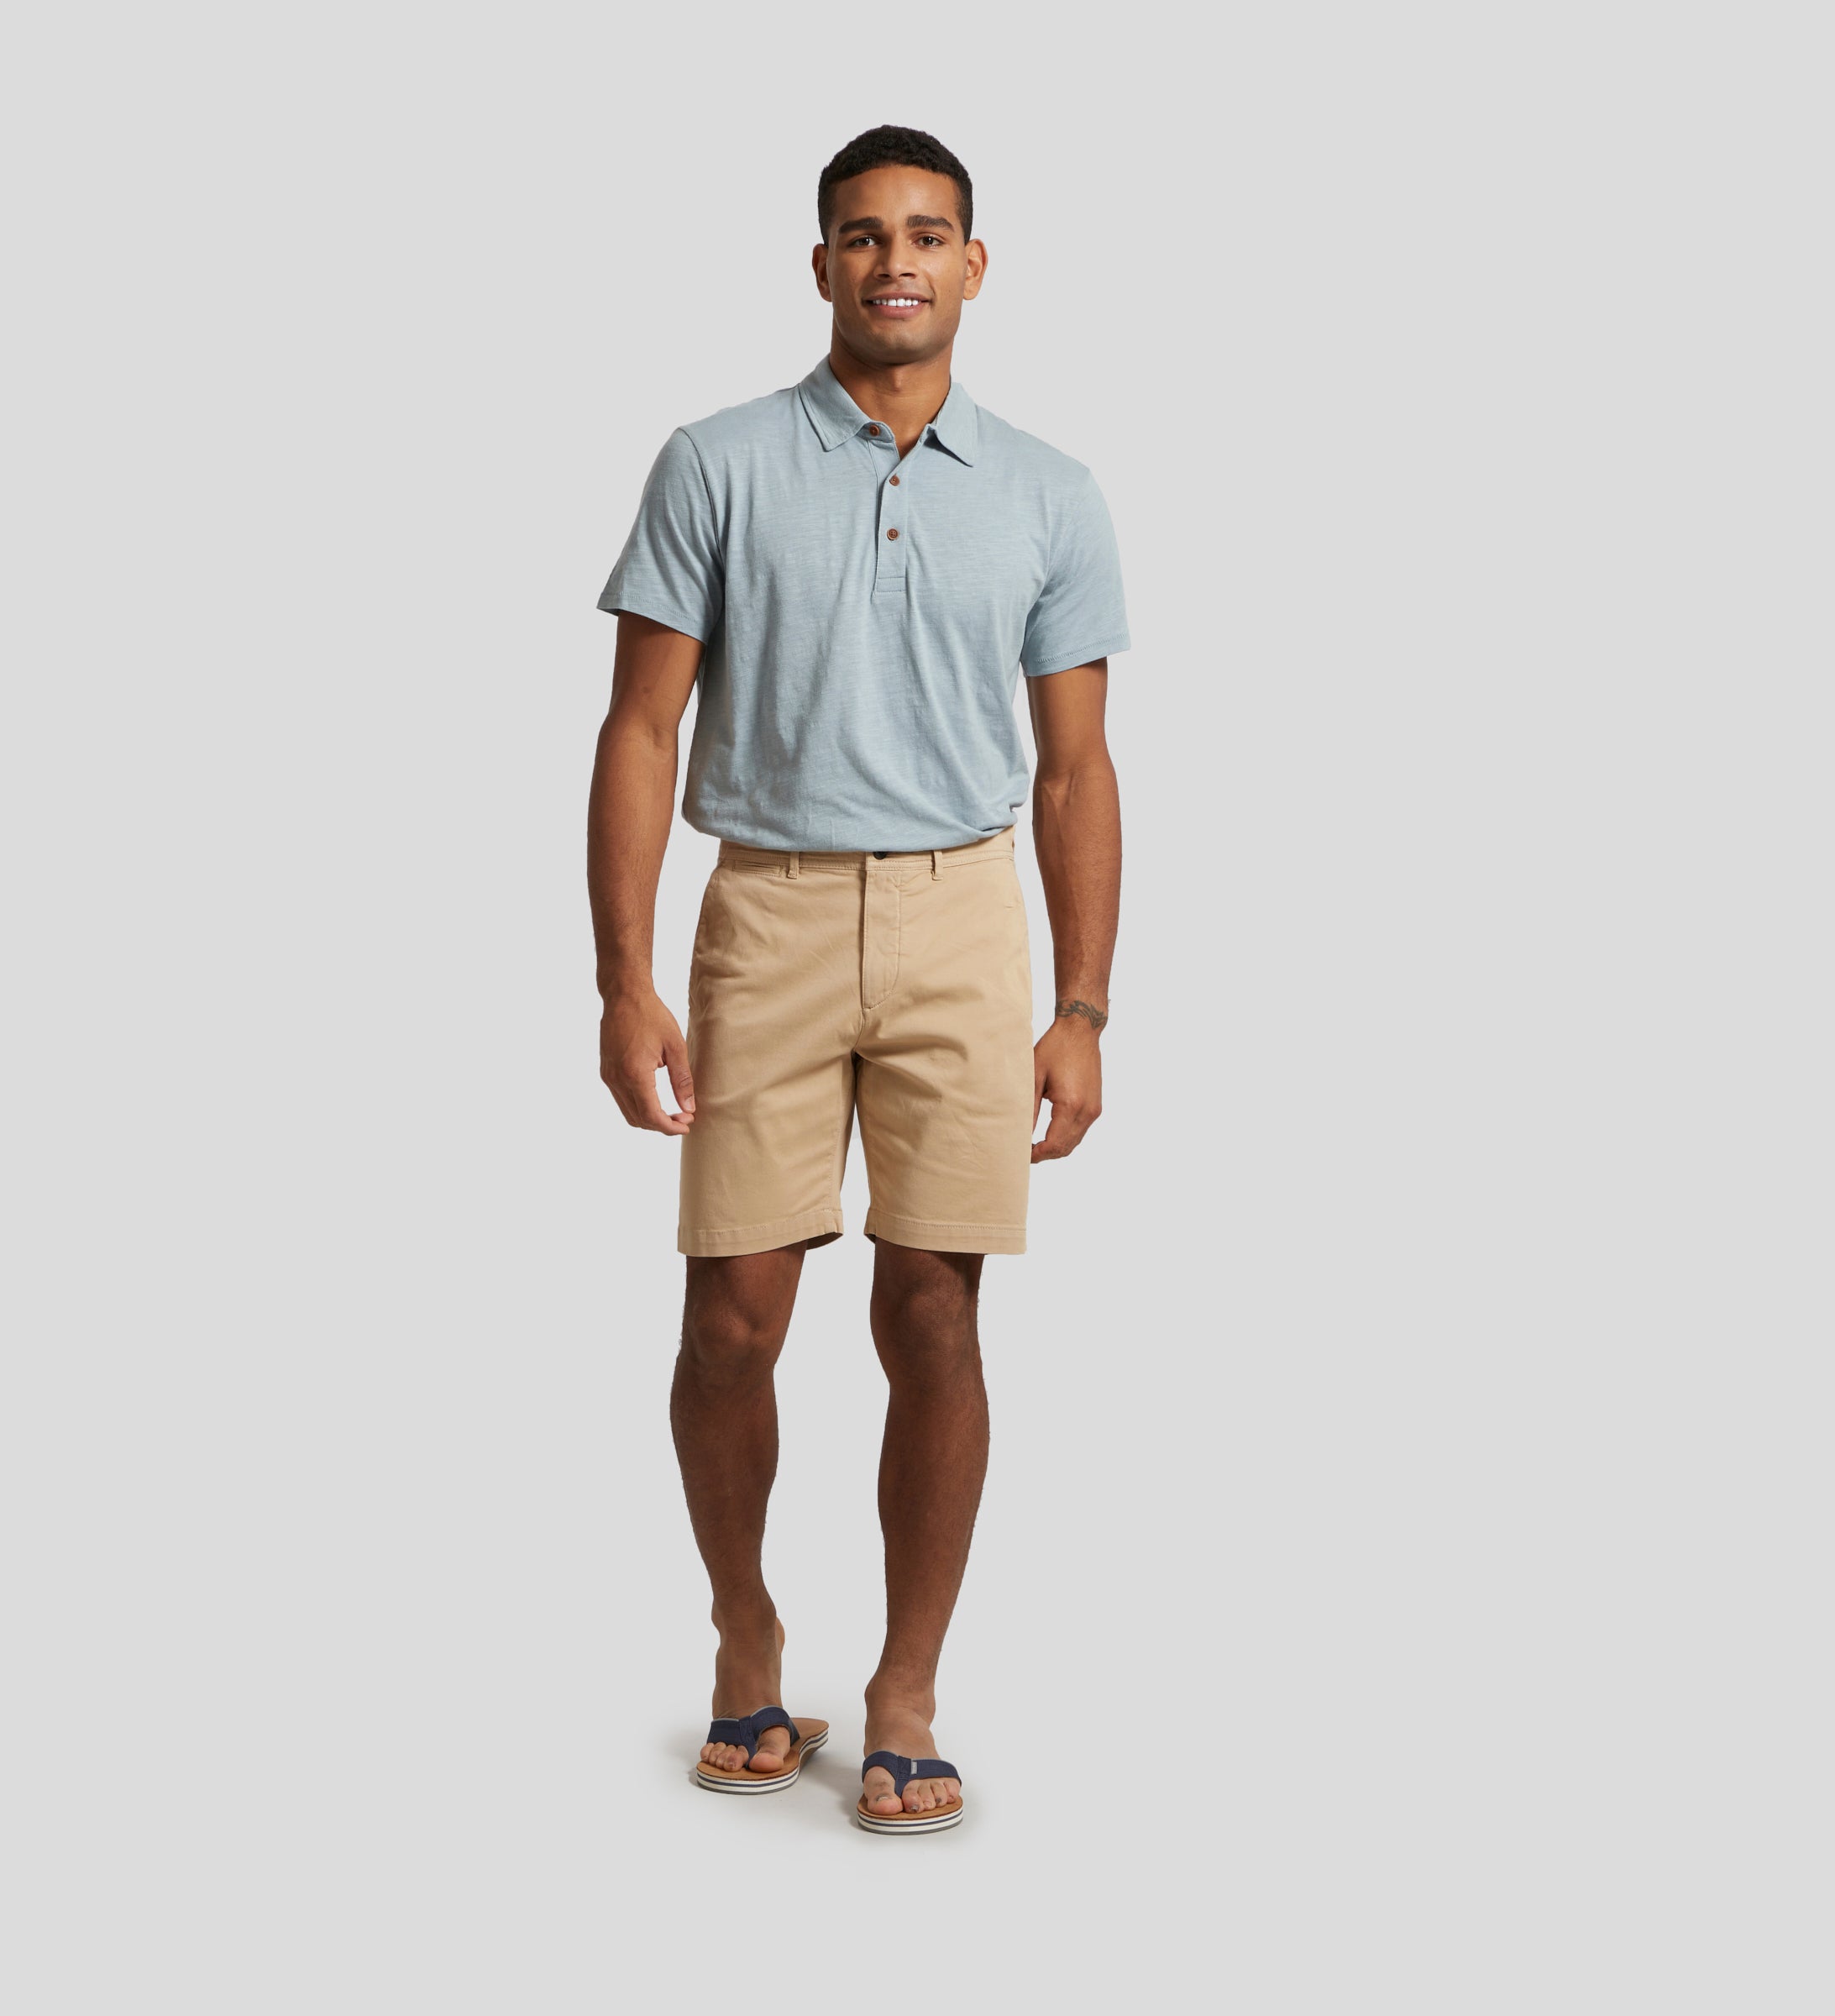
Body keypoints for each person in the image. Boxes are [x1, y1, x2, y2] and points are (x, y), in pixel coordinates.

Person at [589, 124, 1126, 1833]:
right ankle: (747, 1633)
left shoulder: (1049, 490)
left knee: (937, 1311)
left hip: (968, 918)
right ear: (822, 263)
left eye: (928, 233)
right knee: (732, 1315)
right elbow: (642, 728)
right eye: (865, 234)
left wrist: (1084, 1007)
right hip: (771, 911)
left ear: (976, 265)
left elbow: (1076, 772)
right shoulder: (717, 462)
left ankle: (905, 1687)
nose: (898, 260)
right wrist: (622, 977)